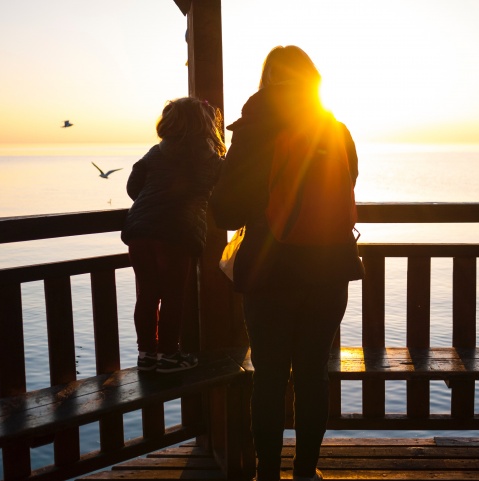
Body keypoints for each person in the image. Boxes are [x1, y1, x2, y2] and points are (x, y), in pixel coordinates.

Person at [210, 46, 364, 481]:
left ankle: (267, 475)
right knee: (314, 373)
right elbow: (348, 182)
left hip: (270, 271)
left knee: (271, 375)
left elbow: (226, 211)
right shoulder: (335, 128)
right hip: (331, 266)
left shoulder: (256, 127)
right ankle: (306, 472)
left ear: (268, 81)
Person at [121, 97, 225, 373]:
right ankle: (169, 355)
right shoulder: (210, 158)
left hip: (139, 231)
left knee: (147, 294)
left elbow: (133, 188)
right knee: (173, 295)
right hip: (177, 234)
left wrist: (151, 205)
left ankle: (146, 354)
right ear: (205, 124)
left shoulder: (155, 153)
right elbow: (223, 192)